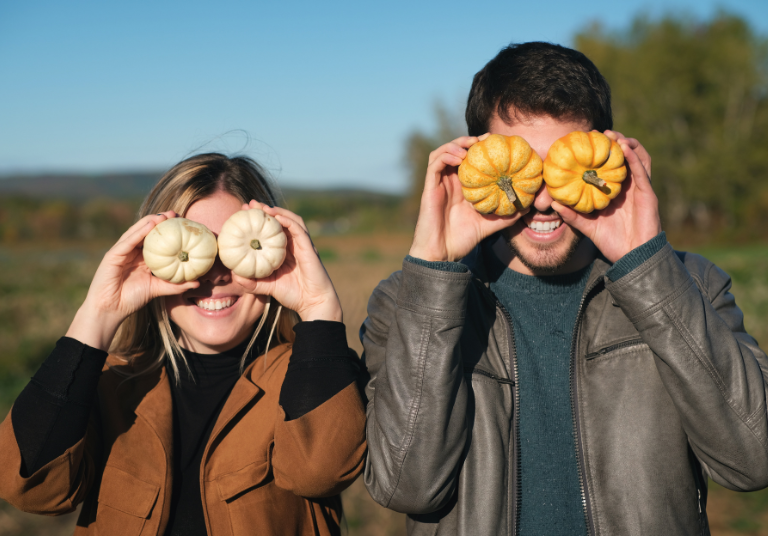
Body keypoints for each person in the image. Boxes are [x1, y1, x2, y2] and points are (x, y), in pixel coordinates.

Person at [360, 42, 768, 536]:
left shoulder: (691, 284)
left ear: (604, 155)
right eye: (521, 167)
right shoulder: (406, 302)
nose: (545, 200)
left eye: (561, 166)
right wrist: (435, 272)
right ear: (476, 161)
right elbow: (406, 485)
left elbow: (753, 459)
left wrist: (647, 265)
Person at [0, 153, 366, 536]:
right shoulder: (110, 384)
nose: (216, 275)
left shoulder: (313, 380)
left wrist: (319, 309)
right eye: (197, 250)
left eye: (234, 249)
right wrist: (99, 313)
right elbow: (28, 489)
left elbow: (321, 473)